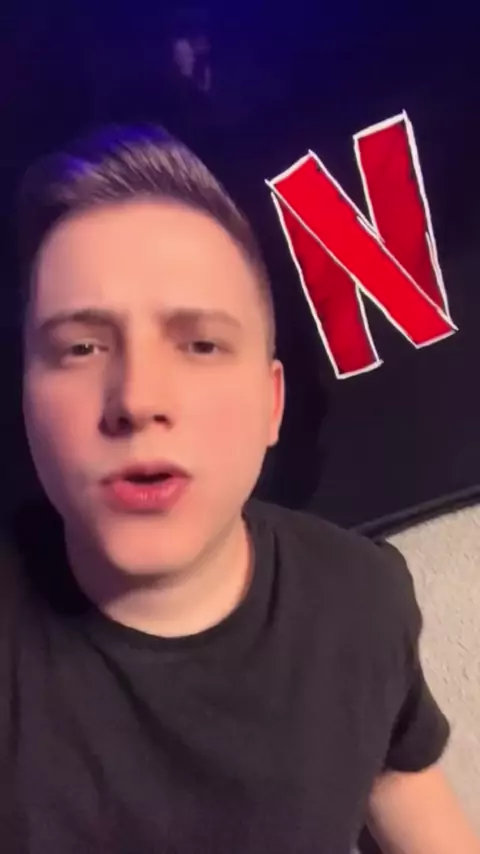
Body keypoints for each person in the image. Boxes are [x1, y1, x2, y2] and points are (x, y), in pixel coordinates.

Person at [0, 125, 478, 854]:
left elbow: (397, 778)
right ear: (25, 403)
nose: (138, 398)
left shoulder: (363, 597)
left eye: (201, 344)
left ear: (272, 404)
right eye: (82, 347)